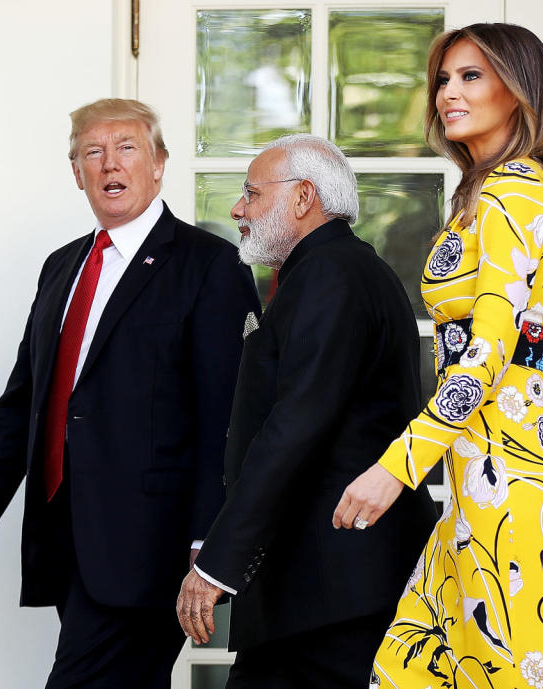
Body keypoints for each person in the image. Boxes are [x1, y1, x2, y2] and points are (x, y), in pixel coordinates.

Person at [0, 98, 261, 688]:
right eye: (94, 151)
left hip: (154, 550)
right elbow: (24, 404)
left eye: (127, 147)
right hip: (67, 542)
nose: (110, 163)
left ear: (159, 163)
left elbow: (227, 414)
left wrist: (207, 541)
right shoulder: (61, 268)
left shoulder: (209, 266)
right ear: (76, 172)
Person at [331, 23, 543, 689]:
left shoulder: (515, 188)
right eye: (443, 79)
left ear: (519, 91)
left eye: (470, 76)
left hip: (507, 477)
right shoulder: (493, 192)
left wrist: (397, 467)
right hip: (484, 468)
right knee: (410, 672)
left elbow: (488, 356)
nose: (448, 92)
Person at [176, 134, 439, 689]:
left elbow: (295, 427)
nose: (237, 209)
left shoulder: (331, 275)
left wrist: (219, 560)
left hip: (334, 589)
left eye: (251, 193)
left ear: (303, 198)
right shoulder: (332, 270)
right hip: (322, 588)